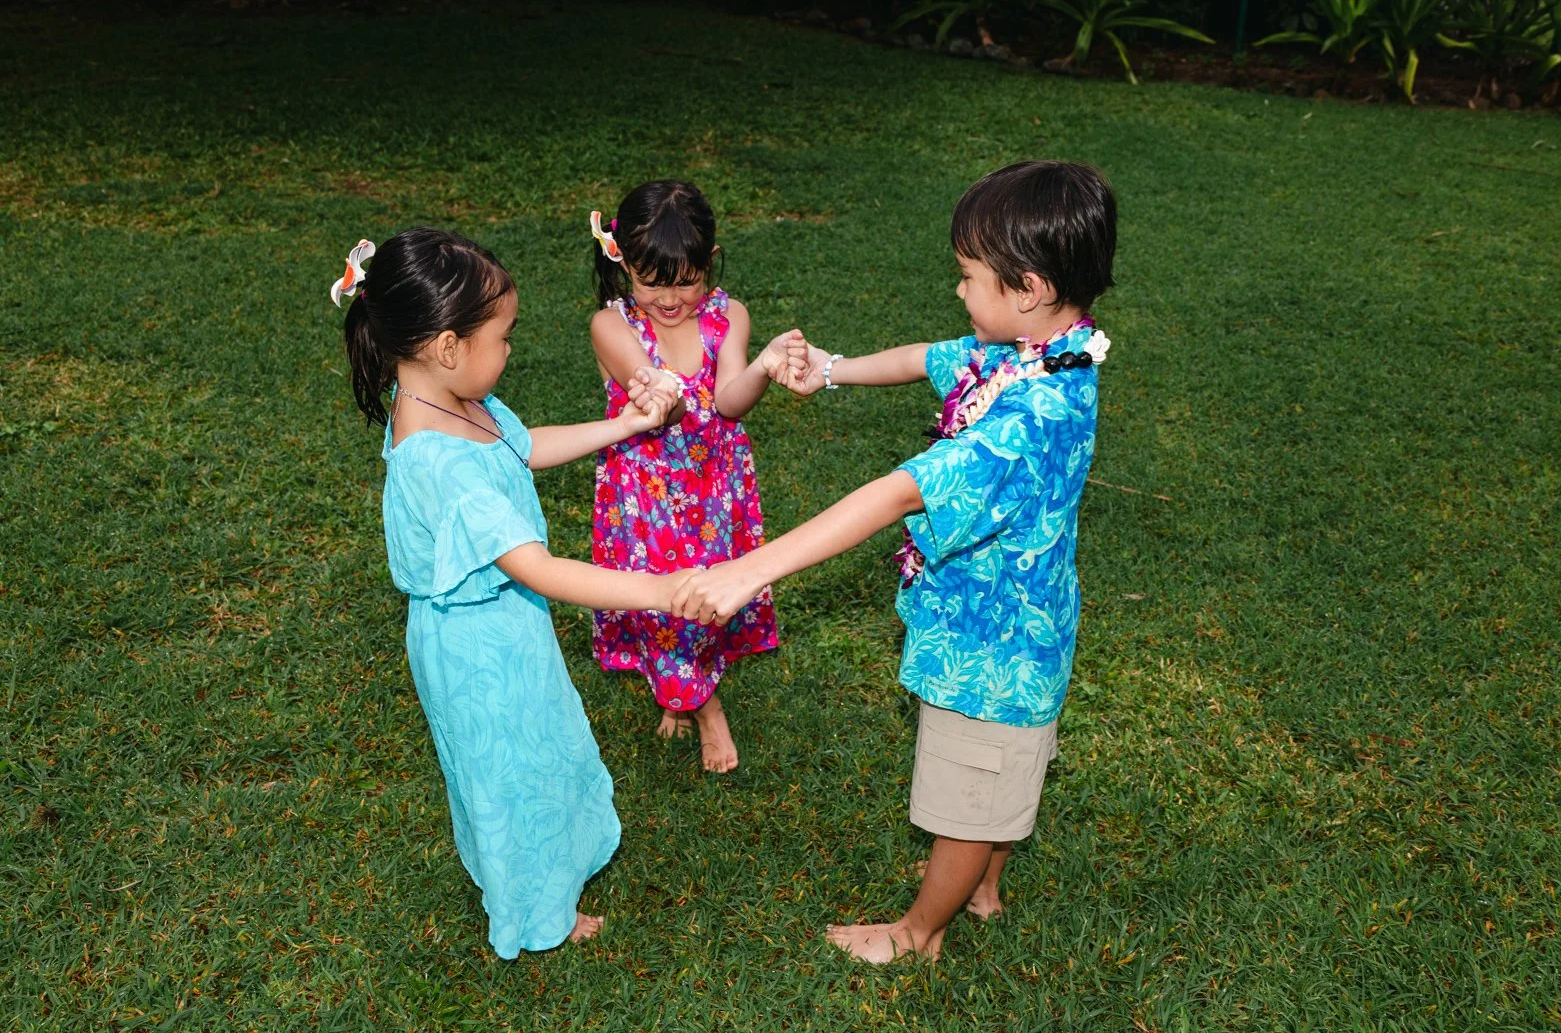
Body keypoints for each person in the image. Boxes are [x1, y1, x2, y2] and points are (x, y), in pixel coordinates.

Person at [671, 161, 1116, 962]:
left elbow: (896, 493)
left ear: (1025, 286)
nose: (957, 292)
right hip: (1017, 627)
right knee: (998, 784)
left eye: (967, 278)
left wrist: (749, 570)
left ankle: (918, 934)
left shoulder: (1034, 415)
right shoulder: (1038, 349)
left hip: (993, 656)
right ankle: (980, 884)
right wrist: (832, 369)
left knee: (966, 793)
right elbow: (930, 357)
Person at [337, 227, 688, 957]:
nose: (509, 351)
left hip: (506, 629)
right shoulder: (439, 459)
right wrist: (661, 590)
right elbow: (539, 568)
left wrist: (623, 425)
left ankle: (552, 873)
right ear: (445, 347)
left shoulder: (452, 401)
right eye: (502, 337)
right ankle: (533, 913)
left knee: (539, 756)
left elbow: (521, 448)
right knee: (506, 779)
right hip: (473, 650)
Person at [588, 179, 808, 772]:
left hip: (714, 486)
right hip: (645, 490)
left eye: (686, 280)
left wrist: (762, 367)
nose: (669, 298)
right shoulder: (611, 327)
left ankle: (681, 688)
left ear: (709, 262)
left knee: (705, 593)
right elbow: (658, 395)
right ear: (622, 262)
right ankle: (704, 708)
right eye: (651, 281)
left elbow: (729, 400)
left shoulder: (728, 314)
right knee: (662, 593)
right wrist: (661, 390)